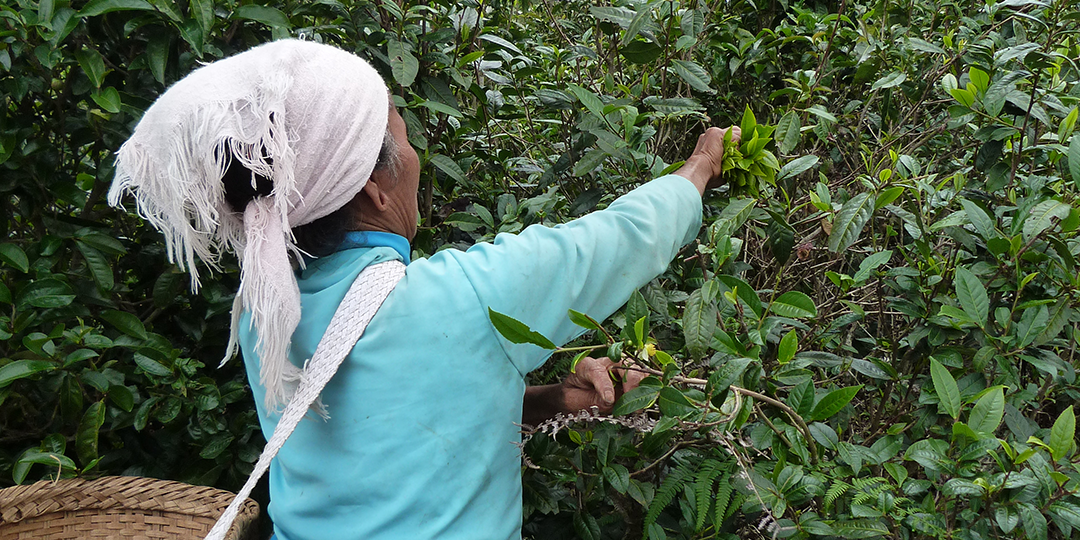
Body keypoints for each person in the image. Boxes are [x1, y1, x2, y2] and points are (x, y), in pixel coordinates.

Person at [109, 40, 737, 540]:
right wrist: (701, 166)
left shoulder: (264, 310)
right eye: (405, 143)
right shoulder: (463, 298)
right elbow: (620, 237)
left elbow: (386, 421)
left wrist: (546, 400)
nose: (415, 159)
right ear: (373, 190)